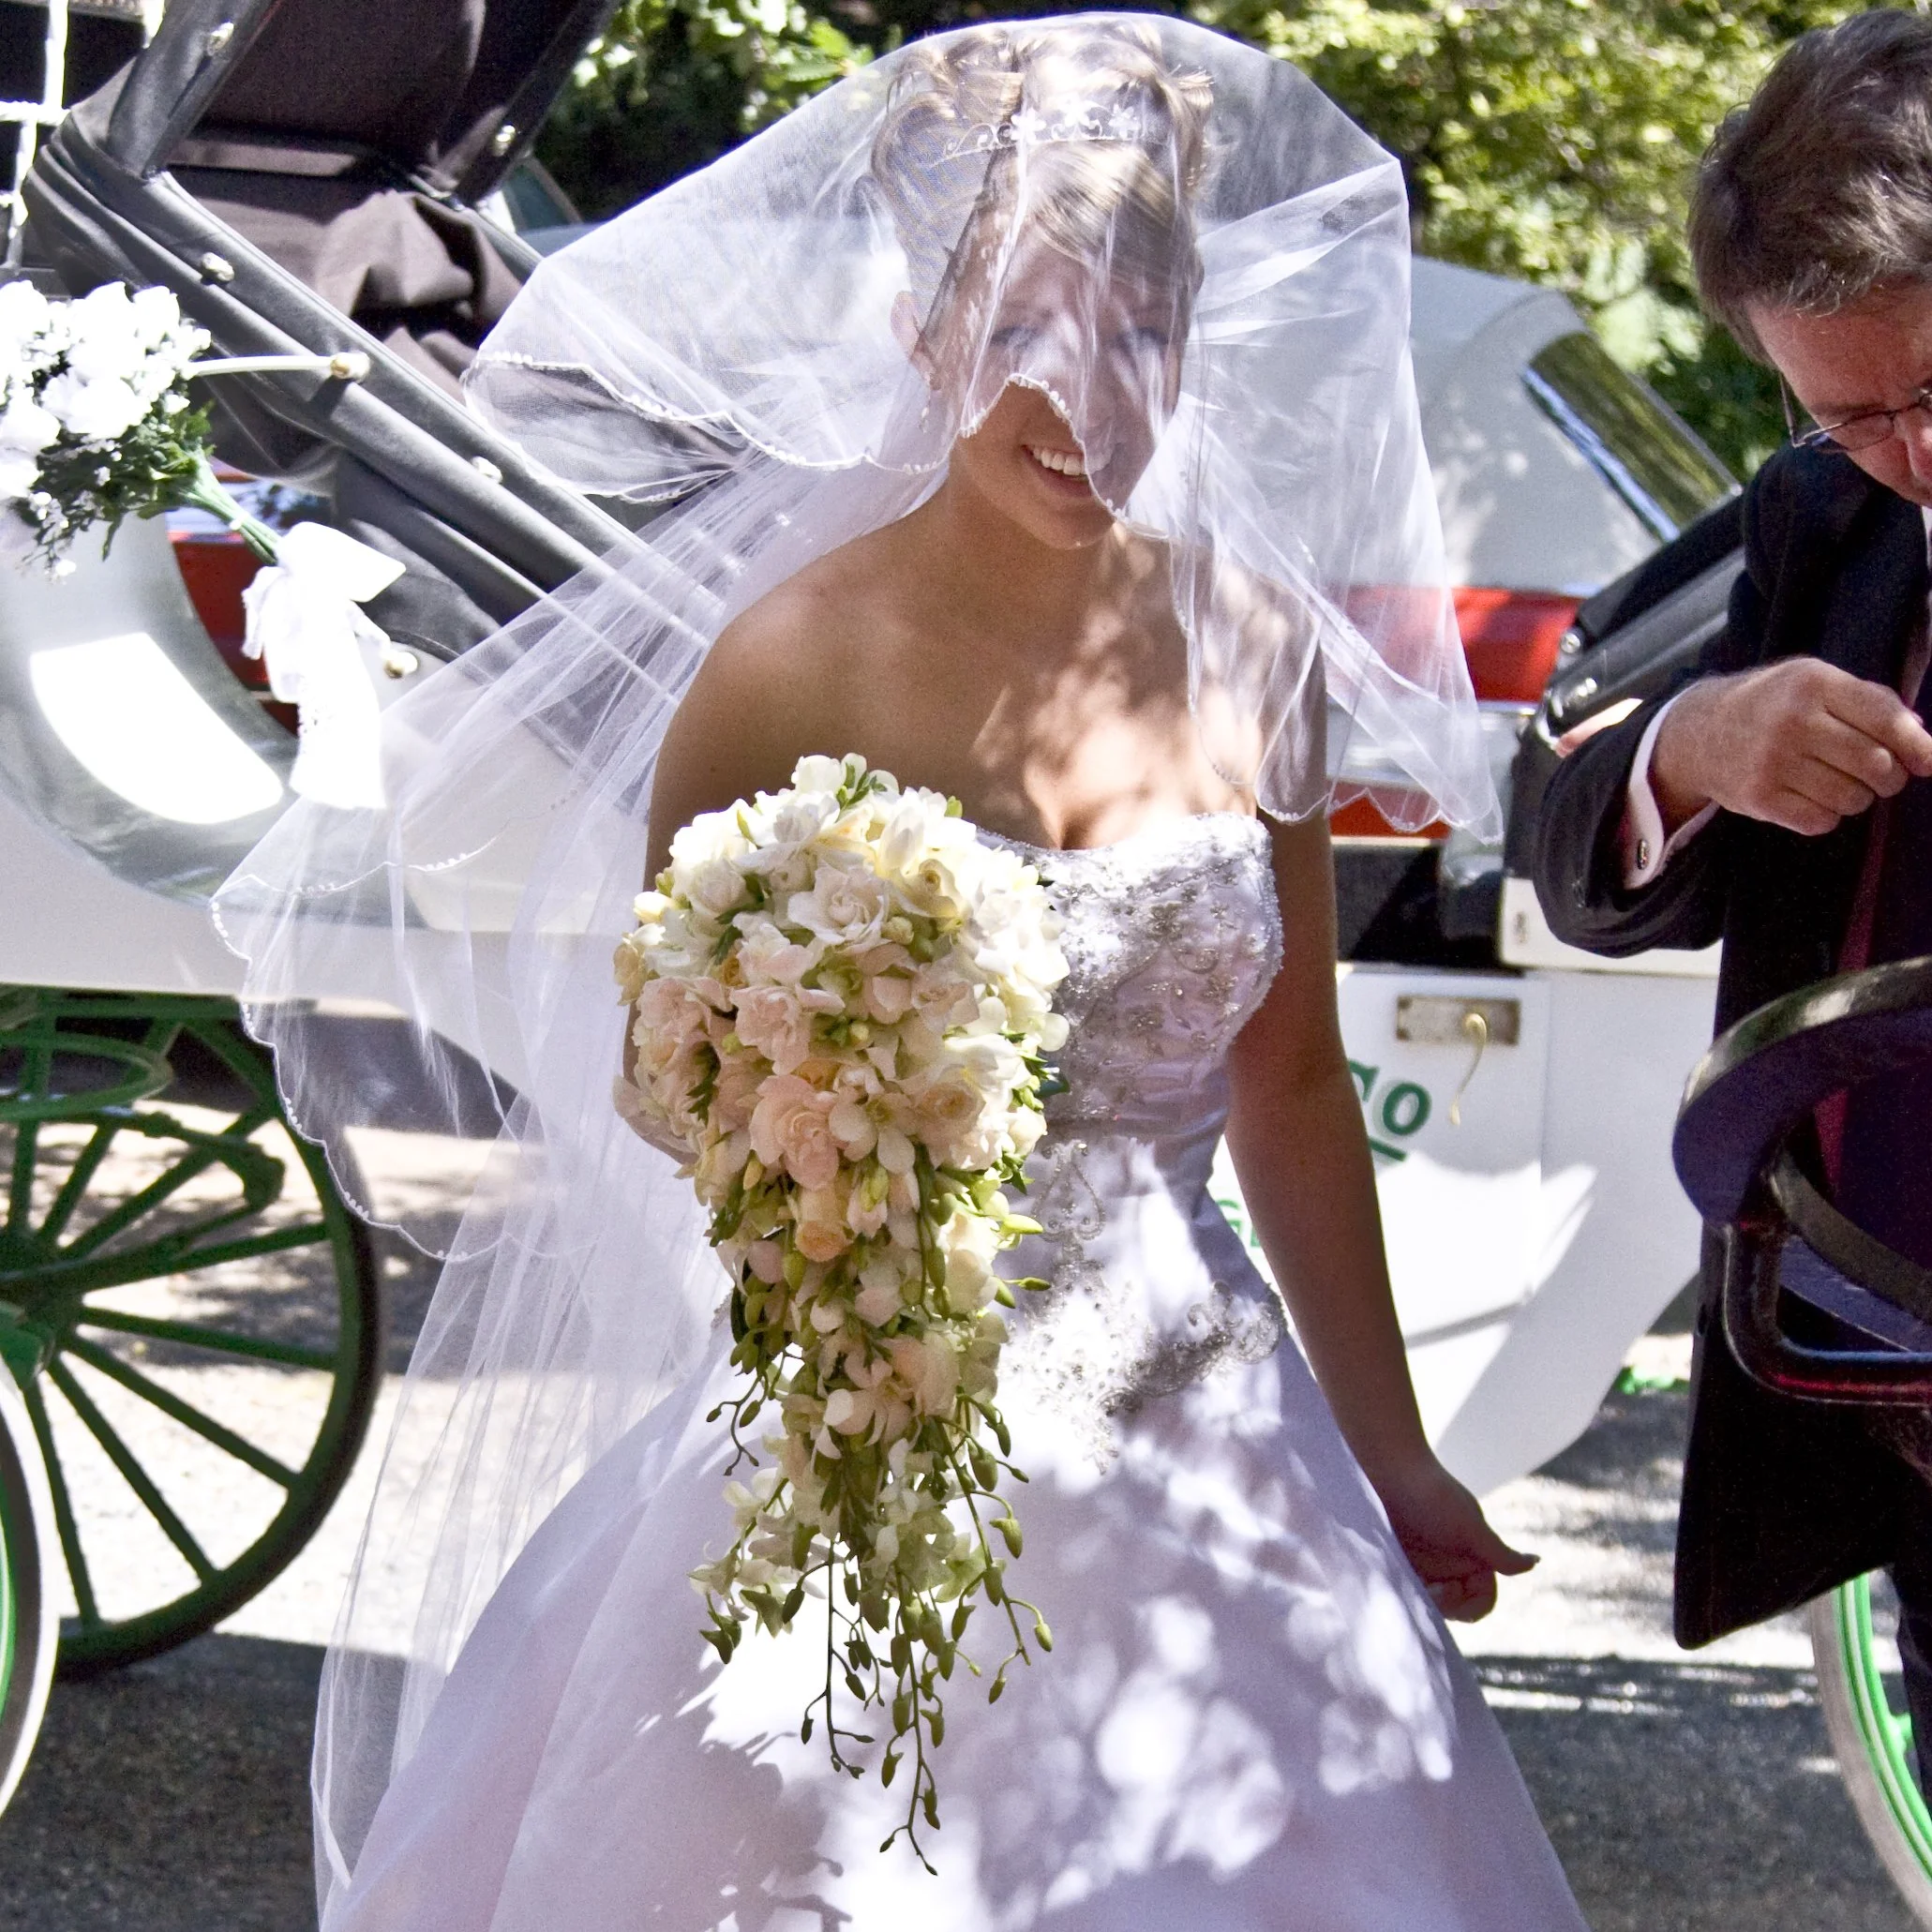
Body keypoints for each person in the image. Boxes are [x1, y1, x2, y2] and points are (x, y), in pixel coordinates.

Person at [217, 18, 1584, 1927]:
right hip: (867, 1403)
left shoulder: (1248, 636)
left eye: (1135, 333)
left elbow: (1288, 1084)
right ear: (928, 338)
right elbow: (664, 1062)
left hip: (1204, 1423)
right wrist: (842, 1195)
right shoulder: (794, 659)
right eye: (1028, 329)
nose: (1085, 392)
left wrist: (1394, 1450)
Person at [1533, 8, 1932, 1768]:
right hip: (1902, 1383)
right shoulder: (1817, 517)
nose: (1914, 457)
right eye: (1852, 414)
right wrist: (1694, 745)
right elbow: (1558, 797)